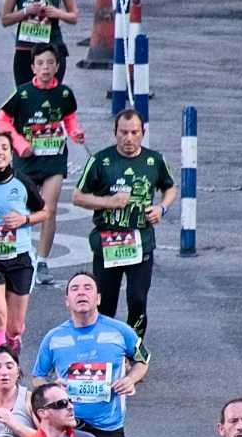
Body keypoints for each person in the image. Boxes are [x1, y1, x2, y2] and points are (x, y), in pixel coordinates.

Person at [33, 269, 146, 437]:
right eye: (74, 289)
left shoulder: (120, 332)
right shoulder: (54, 338)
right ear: (67, 301)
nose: (81, 292)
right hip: (68, 429)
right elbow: (38, 377)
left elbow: (142, 361)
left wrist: (131, 379)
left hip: (107, 427)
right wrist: (50, 388)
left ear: (98, 298)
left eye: (87, 288)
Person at [71, 109, 176, 340]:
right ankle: (106, 348)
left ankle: (134, 350)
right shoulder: (100, 160)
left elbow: (169, 187)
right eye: (123, 133)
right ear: (115, 133)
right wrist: (108, 202)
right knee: (105, 304)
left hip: (141, 241)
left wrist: (161, 208)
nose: (129, 138)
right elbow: (77, 197)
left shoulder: (154, 160)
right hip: (108, 243)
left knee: (137, 300)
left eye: (134, 133)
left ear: (143, 133)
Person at [0, 45, 82, 291]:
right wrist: (20, 143)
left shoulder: (64, 94)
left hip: (54, 159)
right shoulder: (22, 94)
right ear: (33, 67)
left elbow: (69, 118)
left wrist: (75, 132)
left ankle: (42, 262)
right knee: (22, 209)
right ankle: (16, 255)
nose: (45, 68)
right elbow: (2, 119)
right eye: (40, 63)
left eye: (50, 63)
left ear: (57, 66)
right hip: (26, 159)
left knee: (50, 208)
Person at [0, 132, 47, 350]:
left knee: (13, 326)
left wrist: (24, 219)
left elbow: (44, 212)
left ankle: (13, 340)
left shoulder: (23, 182)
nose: (0, 152)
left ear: (12, 154)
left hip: (20, 258)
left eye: (5, 148)